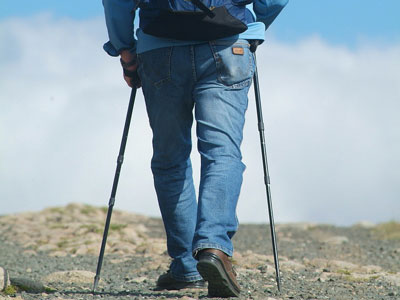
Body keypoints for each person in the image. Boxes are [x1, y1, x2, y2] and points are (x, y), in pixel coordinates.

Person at [102, 0, 288, 297]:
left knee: (170, 159)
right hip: (228, 42)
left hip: (159, 48)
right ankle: (214, 247)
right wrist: (257, 24)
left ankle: (187, 266)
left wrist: (125, 50)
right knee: (222, 153)